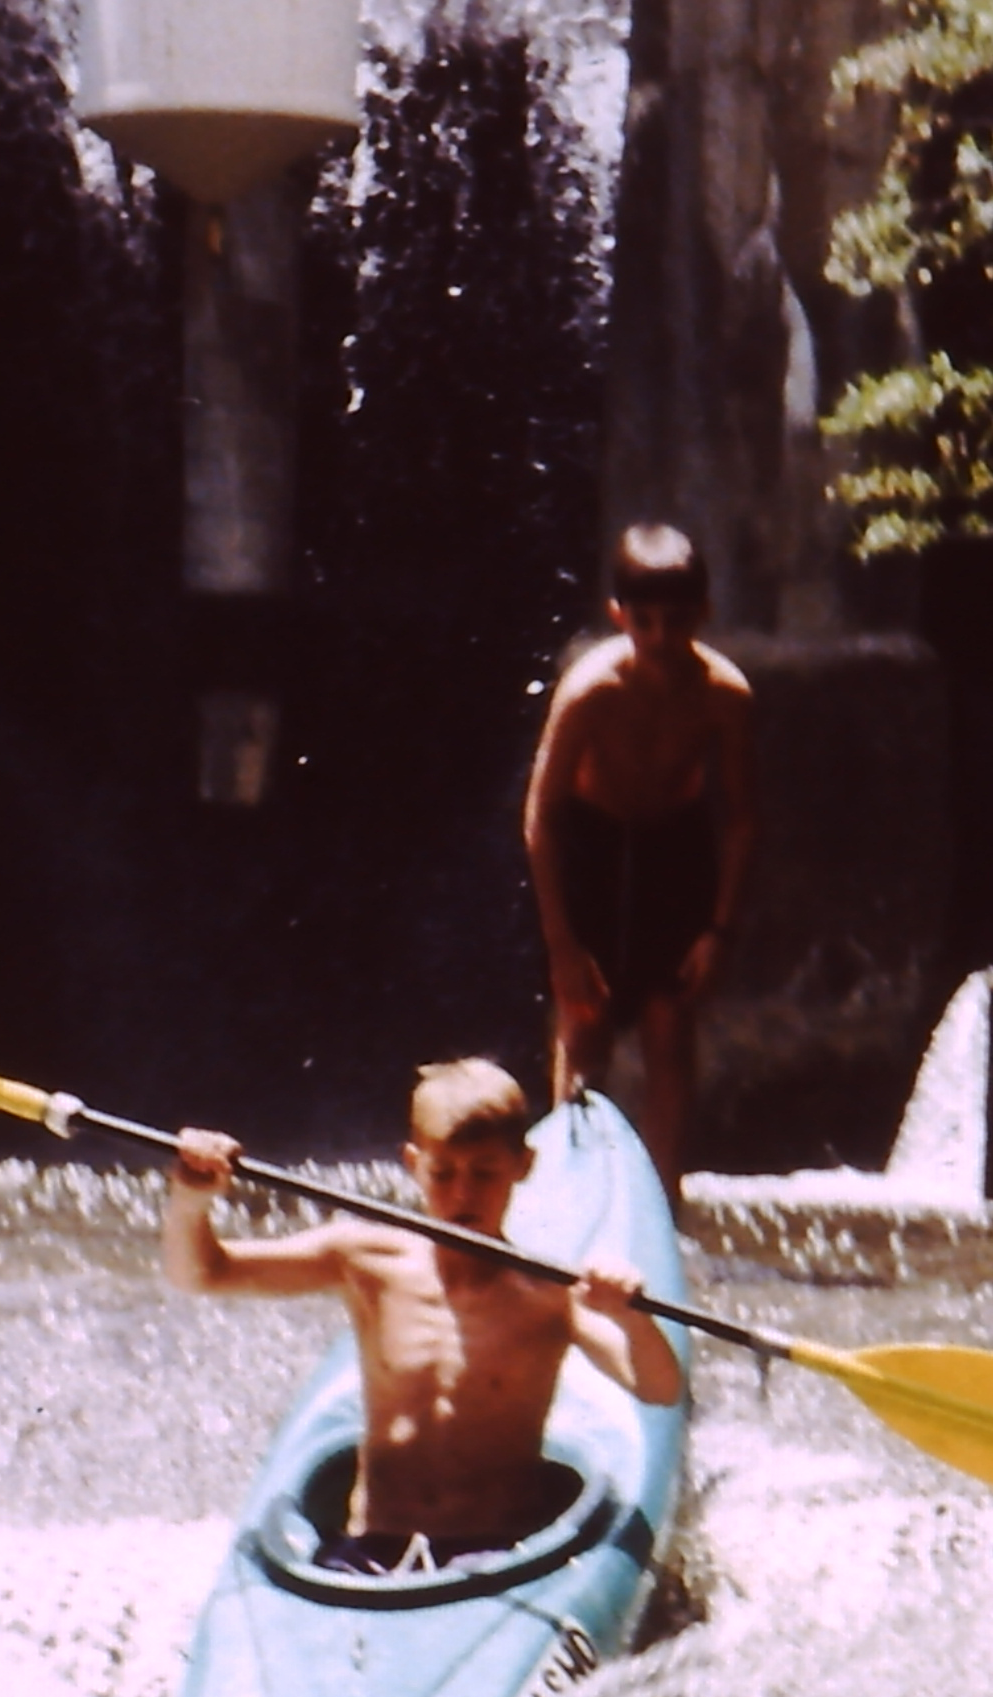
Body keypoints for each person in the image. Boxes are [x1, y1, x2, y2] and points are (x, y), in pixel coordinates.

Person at [162, 1058, 683, 1569]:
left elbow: (659, 1387)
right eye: (443, 1173)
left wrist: (631, 1317)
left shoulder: (549, 1292)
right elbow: (202, 1273)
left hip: (497, 1552)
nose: (463, 1194)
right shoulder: (364, 1261)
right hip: (371, 1548)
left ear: (523, 1166)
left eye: (484, 1173)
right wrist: (191, 1200)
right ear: (413, 1164)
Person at [523, 523, 758, 1199]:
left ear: (704, 614)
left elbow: (742, 818)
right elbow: (541, 815)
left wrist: (719, 931)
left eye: (677, 621)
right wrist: (562, 944)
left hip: (672, 846)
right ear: (618, 615)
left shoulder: (723, 694)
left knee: (669, 1023)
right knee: (585, 1020)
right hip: (592, 844)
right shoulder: (591, 690)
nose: (660, 638)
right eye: (645, 622)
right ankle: (569, 1193)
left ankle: (662, 1201)